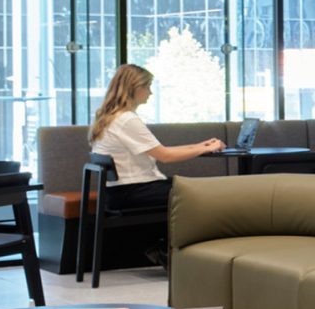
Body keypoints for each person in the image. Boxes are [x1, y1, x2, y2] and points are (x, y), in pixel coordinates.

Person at [88, 63, 225, 211]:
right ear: (134, 88)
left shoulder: (111, 117)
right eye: (147, 87)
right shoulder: (127, 120)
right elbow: (165, 156)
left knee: (197, 187)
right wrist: (204, 149)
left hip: (120, 192)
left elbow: (160, 150)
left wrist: (200, 146)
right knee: (205, 193)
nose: (150, 92)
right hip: (133, 192)